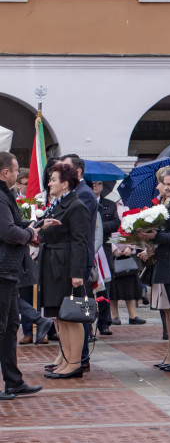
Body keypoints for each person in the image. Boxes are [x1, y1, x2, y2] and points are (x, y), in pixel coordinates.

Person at [38, 163, 91, 379]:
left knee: (71, 317)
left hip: (66, 265)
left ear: (65, 183)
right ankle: (67, 360)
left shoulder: (76, 205)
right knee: (59, 316)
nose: (49, 183)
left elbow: (80, 241)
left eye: (53, 180)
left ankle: (75, 363)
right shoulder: (56, 204)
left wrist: (77, 273)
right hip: (53, 263)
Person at [0, 152, 42, 397]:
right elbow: (7, 231)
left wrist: (31, 230)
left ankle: (14, 381)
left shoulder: (6, 195)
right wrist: (30, 235)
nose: (17, 175)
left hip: (8, 269)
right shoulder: (1, 196)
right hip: (3, 269)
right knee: (2, 326)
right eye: (16, 171)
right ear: (6, 172)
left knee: (10, 326)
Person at [139, 166, 170, 370]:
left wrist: (155, 237)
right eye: (163, 184)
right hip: (164, 260)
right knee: (168, 312)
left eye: (168, 184)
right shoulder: (169, 204)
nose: (164, 188)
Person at [60, 155, 99, 371]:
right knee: (72, 309)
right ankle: (73, 356)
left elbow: (77, 230)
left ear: (78, 171)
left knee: (78, 310)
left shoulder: (84, 195)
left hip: (80, 259)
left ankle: (81, 358)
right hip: (74, 258)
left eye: (67, 168)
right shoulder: (76, 192)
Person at [94, 181, 120, 335]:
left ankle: (104, 322)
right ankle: (88, 320)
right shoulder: (84, 201)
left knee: (105, 288)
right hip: (90, 249)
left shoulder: (109, 204)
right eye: (93, 184)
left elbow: (116, 223)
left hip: (104, 250)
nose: (94, 187)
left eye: (98, 184)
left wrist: (98, 226)